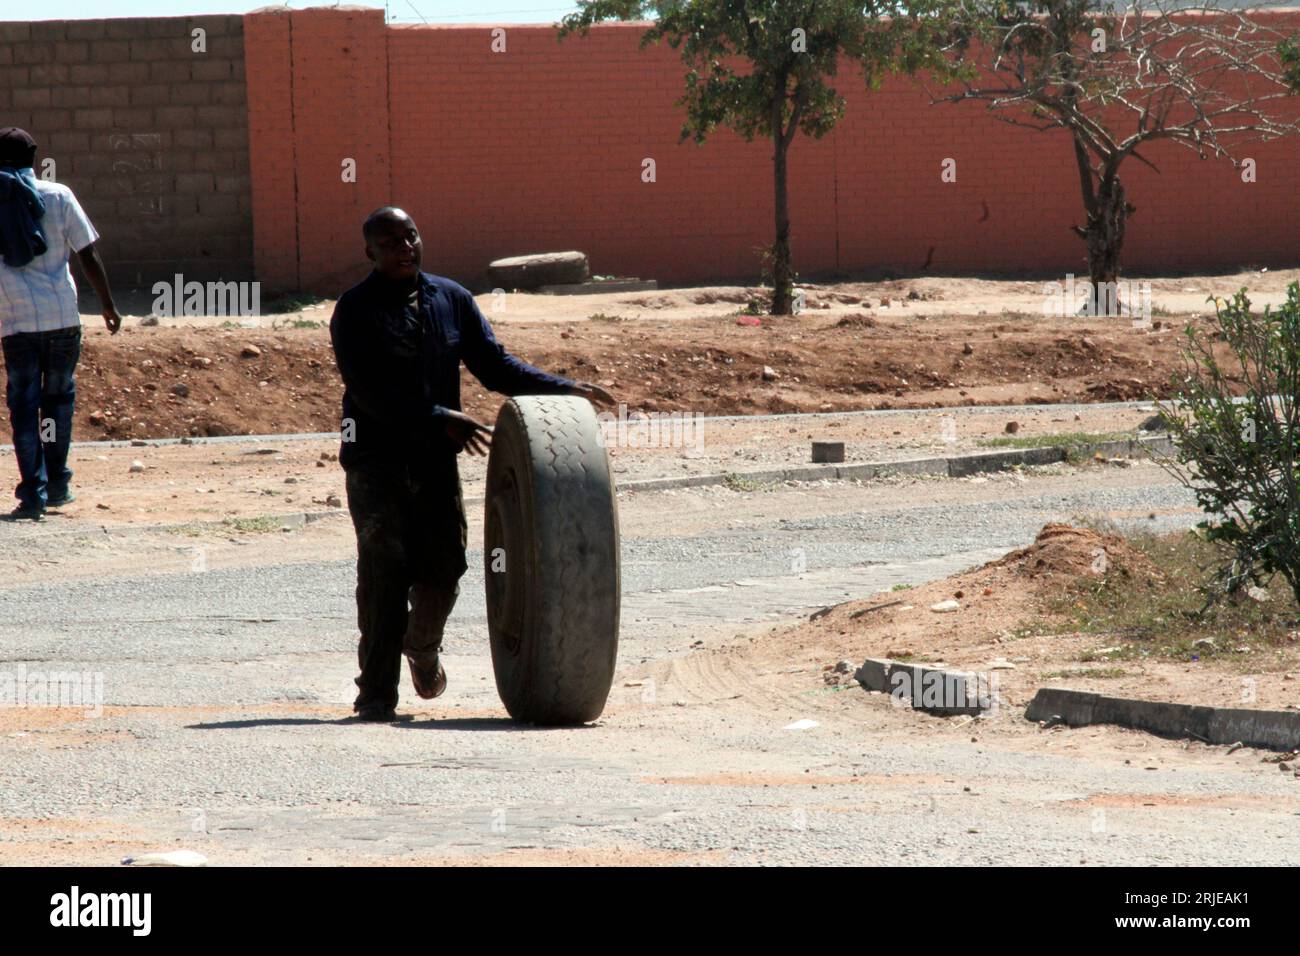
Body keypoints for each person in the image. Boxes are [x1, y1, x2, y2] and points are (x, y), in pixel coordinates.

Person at [330, 206, 615, 722]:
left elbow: (493, 365)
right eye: (392, 241)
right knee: (384, 573)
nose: (406, 247)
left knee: (445, 569)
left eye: (411, 236)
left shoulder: (451, 299)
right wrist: (439, 416)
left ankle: (421, 645)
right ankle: (375, 694)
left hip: (434, 459)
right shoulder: (355, 309)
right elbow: (367, 390)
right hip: (376, 460)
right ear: (370, 252)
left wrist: (562, 387)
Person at [0, 127, 122, 521]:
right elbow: (87, 253)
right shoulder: (60, 195)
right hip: (62, 319)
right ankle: (57, 484)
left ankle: (31, 494)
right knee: (56, 404)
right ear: (35, 155)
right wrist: (107, 304)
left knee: (24, 407)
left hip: (15, 320)